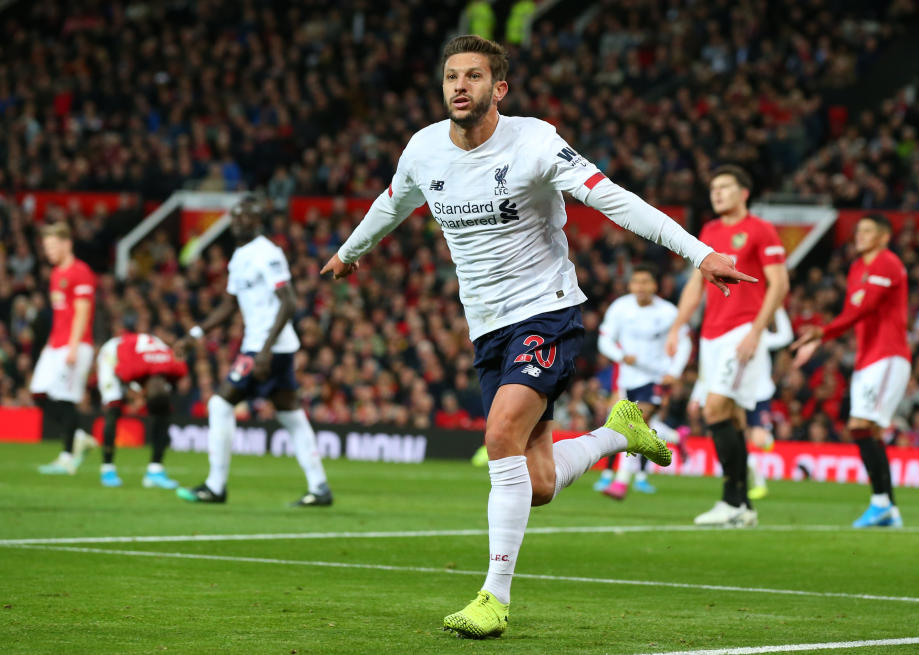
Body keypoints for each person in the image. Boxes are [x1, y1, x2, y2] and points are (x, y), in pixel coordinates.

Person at [320, 35, 753, 638]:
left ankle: (493, 598)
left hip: (546, 312)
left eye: (473, 76)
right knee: (539, 482)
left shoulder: (536, 141)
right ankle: (615, 433)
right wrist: (348, 252)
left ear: (499, 88)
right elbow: (391, 204)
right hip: (486, 327)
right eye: (451, 77)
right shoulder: (423, 149)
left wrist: (700, 253)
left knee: (500, 435)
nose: (459, 87)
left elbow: (615, 201)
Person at [177, 195, 332, 507]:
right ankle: (319, 488)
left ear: (257, 221)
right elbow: (229, 305)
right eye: (234, 216)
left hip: (266, 348)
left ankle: (215, 486)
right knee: (291, 416)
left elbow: (288, 301)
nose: (236, 222)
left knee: (221, 404)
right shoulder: (240, 256)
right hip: (269, 347)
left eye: (243, 217)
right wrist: (195, 334)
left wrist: (263, 350)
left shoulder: (267, 253)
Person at [666, 165, 789, 528]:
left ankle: (729, 501)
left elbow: (779, 284)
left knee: (715, 408)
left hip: (741, 331)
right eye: (713, 188)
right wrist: (677, 326)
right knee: (731, 416)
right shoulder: (710, 230)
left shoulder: (761, 230)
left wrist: (756, 331)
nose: (716, 193)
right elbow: (694, 285)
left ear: (743, 193)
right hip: (710, 335)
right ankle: (743, 506)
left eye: (724, 187)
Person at [792, 213, 910, 528]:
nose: (859, 236)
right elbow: (852, 313)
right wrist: (820, 338)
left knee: (861, 425)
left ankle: (881, 503)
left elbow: (864, 309)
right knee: (866, 430)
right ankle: (889, 509)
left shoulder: (887, 263)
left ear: (884, 236)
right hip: (867, 358)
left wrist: (822, 333)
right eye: (858, 231)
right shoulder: (858, 268)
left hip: (888, 354)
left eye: (868, 231)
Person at [595, 264, 692, 499]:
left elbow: (685, 342)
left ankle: (620, 483)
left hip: (656, 378)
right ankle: (677, 436)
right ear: (630, 285)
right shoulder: (620, 308)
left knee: (634, 424)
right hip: (628, 380)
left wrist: (675, 371)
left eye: (645, 282)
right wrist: (620, 356)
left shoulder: (668, 312)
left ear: (654, 286)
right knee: (640, 427)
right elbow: (604, 340)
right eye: (636, 282)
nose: (640, 287)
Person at [35, 222, 99, 475]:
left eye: (52, 246)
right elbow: (60, 314)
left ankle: (67, 457)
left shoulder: (80, 271)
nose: (48, 251)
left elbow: (82, 311)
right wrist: (50, 344)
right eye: (46, 246)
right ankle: (80, 436)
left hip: (75, 344)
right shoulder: (55, 274)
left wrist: (73, 346)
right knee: (38, 393)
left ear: (66, 244)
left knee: (65, 398)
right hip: (56, 345)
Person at [96, 330, 188, 488]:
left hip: (146, 357)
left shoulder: (175, 368)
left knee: (163, 411)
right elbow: (123, 377)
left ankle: (155, 470)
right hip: (114, 354)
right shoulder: (130, 369)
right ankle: (107, 468)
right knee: (114, 408)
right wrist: (134, 393)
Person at [745, 307, 793, 500]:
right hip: (739, 396)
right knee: (741, 442)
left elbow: (785, 337)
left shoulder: (761, 336)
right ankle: (759, 484)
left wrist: (779, 309)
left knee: (758, 440)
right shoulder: (731, 337)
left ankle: (766, 439)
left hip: (759, 396)